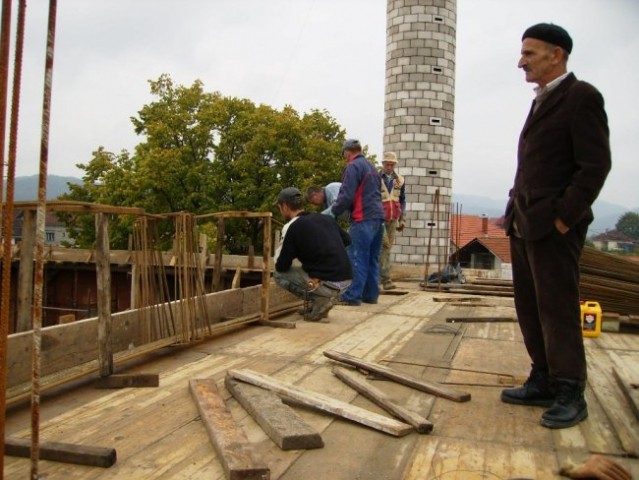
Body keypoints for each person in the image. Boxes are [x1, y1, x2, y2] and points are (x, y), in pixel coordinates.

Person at [501, 23, 611, 429]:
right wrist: (513, 211)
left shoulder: (582, 97)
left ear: (556, 55)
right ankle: (543, 378)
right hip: (524, 221)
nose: (521, 62)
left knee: (558, 308)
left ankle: (569, 390)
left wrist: (565, 217)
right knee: (529, 305)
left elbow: (595, 166)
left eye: (529, 54)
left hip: (553, 225)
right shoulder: (542, 100)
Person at [274, 187, 352, 322]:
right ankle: (318, 304)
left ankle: (320, 300)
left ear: (285, 206)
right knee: (308, 269)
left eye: (279, 207)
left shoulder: (293, 227)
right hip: (346, 281)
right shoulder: (325, 218)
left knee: (278, 275)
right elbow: (347, 240)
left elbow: (282, 265)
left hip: (329, 285)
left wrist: (300, 252)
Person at [330, 139, 384, 306]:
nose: (345, 157)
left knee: (357, 258)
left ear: (347, 152)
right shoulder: (372, 167)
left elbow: (346, 194)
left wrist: (333, 212)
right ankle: (371, 295)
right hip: (378, 219)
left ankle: (352, 296)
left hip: (363, 219)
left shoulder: (353, 167)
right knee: (372, 259)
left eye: (344, 154)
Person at [379, 152, 406, 290]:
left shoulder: (399, 180)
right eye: (387, 164)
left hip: (393, 218)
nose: (389, 166)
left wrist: (402, 219)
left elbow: (402, 200)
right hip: (379, 219)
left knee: (387, 249)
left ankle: (383, 280)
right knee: (384, 246)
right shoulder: (377, 178)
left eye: (392, 164)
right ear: (383, 164)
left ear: (394, 165)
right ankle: (385, 280)